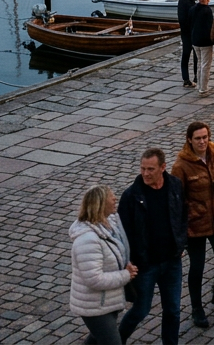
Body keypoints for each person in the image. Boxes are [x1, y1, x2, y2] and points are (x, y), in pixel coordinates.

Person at [118, 148, 188, 345]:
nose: (146, 173)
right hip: (146, 264)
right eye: (143, 168)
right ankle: (116, 340)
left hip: (172, 261)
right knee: (140, 310)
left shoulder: (174, 185)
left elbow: (182, 215)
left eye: (151, 169)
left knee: (173, 310)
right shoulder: (131, 196)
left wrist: (181, 243)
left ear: (163, 168)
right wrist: (129, 260)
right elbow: (123, 233)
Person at [170, 122, 214, 329]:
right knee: (197, 268)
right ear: (189, 139)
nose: (202, 141)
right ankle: (197, 308)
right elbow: (175, 198)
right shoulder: (181, 165)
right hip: (195, 225)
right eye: (198, 138)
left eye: (205, 137)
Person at [69, 185, 134, 345]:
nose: (115, 199)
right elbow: (94, 279)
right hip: (95, 306)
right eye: (111, 197)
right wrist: (126, 274)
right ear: (100, 204)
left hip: (106, 301)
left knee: (96, 340)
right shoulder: (88, 240)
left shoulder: (110, 223)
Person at [190, 0, 214, 98]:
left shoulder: (192, 9)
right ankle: (203, 88)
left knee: (200, 63)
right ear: (207, 0)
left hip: (195, 39)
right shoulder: (207, 11)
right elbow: (210, 27)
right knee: (206, 65)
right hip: (205, 41)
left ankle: (199, 85)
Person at [177, 0, 200, 87]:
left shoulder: (194, 0)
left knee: (197, 56)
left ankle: (196, 76)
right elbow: (182, 19)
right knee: (186, 54)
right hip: (187, 33)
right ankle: (185, 78)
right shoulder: (183, 1)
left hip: (195, 32)